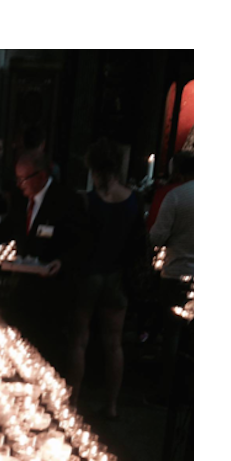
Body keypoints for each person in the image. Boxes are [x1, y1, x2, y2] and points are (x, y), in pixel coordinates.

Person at [0, 150, 86, 371]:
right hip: (24, 286)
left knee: (48, 349)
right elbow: (9, 227)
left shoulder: (66, 200)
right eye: (17, 178)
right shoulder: (22, 199)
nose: (19, 185)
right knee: (22, 342)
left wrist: (62, 261)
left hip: (53, 291)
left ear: (41, 176)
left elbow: (80, 243)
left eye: (23, 179)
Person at [66, 137, 148, 420]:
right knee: (114, 344)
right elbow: (138, 242)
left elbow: (77, 242)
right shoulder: (134, 199)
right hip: (117, 277)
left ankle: (72, 401)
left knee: (79, 340)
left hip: (89, 275)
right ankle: (111, 405)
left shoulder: (87, 200)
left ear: (93, 167)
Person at [148, 151, 193, 404]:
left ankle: (166, 390)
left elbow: (157, 236)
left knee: (172, 334)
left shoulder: (175, 196)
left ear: (179, 172)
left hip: (176, 272)